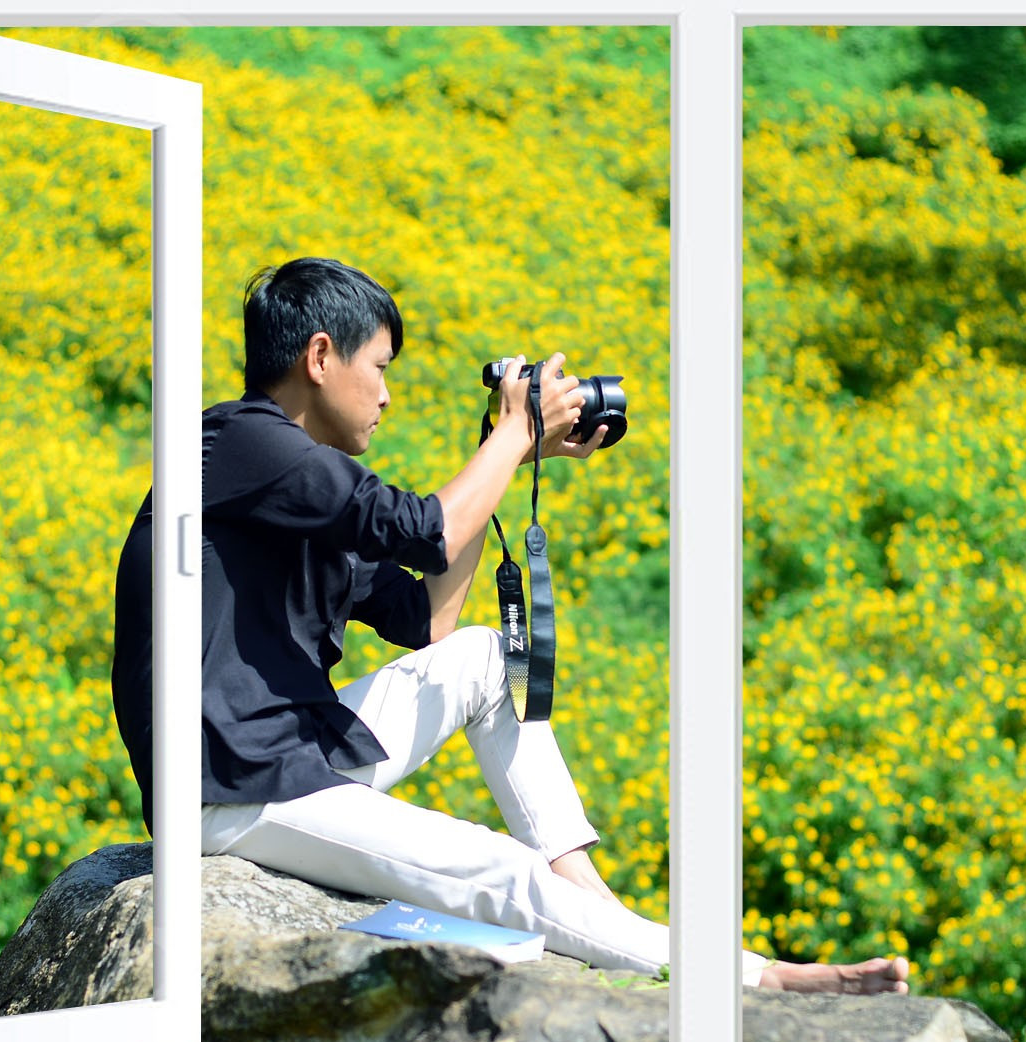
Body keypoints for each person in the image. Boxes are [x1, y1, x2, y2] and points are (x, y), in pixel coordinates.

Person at [111, 256, 909, 994]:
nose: (387, 396)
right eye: (380, 369)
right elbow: (425, 528)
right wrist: (513, 432)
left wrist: (510, 455)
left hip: (292, 754)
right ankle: (754, 979)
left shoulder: (297, 484)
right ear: (320, 358)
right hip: (231, 790)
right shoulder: (240, 440)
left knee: (487, 657)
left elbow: (429, 618)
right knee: (494, 870)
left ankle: (586, 893)